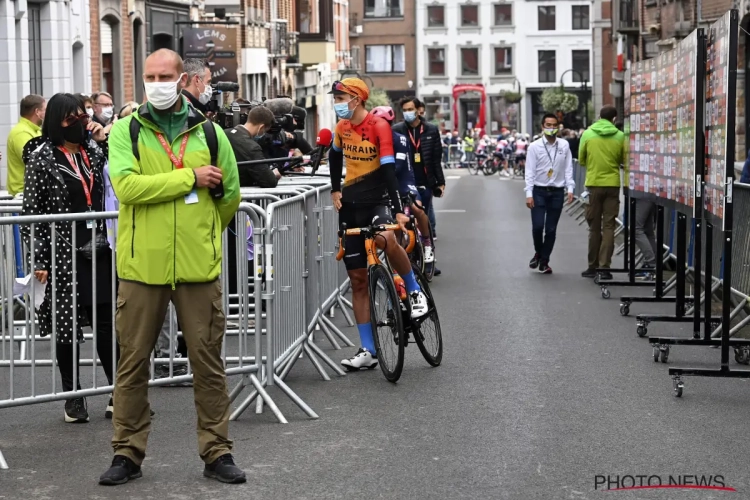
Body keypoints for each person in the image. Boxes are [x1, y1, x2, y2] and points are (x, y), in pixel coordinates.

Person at [99, 49, 244, 486]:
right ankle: (127, 453)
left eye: (165, 75)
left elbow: (230, 196)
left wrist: (200, 233)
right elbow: (127, 188)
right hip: (143, 268)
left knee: (208, 363)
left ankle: (217, 452)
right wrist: (189, 179)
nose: (157, 82)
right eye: (149, 75)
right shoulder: (125, 130)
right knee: (132, 364)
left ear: (182, 79)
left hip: (197, 267)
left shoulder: (212, 133)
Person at [20, 93, 115, 423]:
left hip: (98, 247)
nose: (77, 122)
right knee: (67, 326)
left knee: (106, 322)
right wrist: (39, 260)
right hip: (62, 253)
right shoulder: (42, 158)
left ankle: (119, 392)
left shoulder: (93, 151)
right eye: (69, 118)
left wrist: (102, 139)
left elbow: (112, 184)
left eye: (81, 115)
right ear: (55, 122)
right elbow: (31, 213)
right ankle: (72, 396)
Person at [327, 78, 429, 371]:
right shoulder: (341, 128)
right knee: (358, 281)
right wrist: (335, 188)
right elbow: (335, 155)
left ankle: (413, 289)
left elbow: (388, 170)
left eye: (341, 97)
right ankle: (368, 350)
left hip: (379, 200)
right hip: (351, 205)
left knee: (386, 238)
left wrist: (398, 210)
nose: (337, 102)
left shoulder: (378, 126)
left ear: (356, 99)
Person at [370, 105, 434, 264]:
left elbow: (396, 166)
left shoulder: (400, 140)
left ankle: (427, 242)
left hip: (403, 179)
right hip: (384, 182)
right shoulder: (369, 140)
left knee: (417, 208)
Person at [392, 96, 445, 274]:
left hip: (425, 181)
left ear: (418, 110)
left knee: (423, 217)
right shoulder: (397, 130)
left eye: (410, 109)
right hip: (404, 180)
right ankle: (410, 259)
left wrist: (440, 182)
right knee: (406, 221)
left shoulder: (430, 130)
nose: (407, 113)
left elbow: (436, 158)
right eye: (404, 110)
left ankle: (428, 255)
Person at [578, 105, 625, 279]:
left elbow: (581, 159)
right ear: (614, 118)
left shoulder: (588, 134)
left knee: (594, 228)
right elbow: (623, 159)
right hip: (612, 184)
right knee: (609, 227)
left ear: (599, 116)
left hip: (593, 184)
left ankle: (592, 266)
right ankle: (605, 268)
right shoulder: (620, 136)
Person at [525, 113, 575, 274]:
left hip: (557, 192)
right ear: (542, 126)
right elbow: (529, 171)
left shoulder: (564, 145)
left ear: (558, 127)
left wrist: (570, 188)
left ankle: (544, 260)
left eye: (554, 125)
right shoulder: (534, 146)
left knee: (551, 229)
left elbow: (568, 168)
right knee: (538, 227)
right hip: (538, 191)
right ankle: (538, 252)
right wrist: (529, 193)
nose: (551, 128)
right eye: (548, 125)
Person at [6, 95, 46, 196]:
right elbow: (35, 162)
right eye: (45, 110)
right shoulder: (21, 133)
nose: (48, 114)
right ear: (37, 112)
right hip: (23, 195)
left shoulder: (36, 130)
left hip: (33, 192)